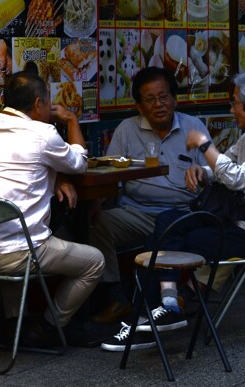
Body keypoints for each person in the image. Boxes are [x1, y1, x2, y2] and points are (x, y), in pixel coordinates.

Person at [102, 71, 245, 351]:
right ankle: (168, 304)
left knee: (174, 238)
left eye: (234, 104)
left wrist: (204, 145)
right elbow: (224, 168)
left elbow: (238, 178)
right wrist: (203, 172)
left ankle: (144, 317)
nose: (231, 110)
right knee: (169, 221)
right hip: (234, 221)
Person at [0, 70, 104, 346]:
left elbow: (20, 167)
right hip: (17, 255)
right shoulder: (44, 133)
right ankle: (48, 325)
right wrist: (72, 119)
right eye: (49, 102)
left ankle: (17, 325)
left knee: (8, 236)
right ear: (39, 104)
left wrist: (56, 178)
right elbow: (79, 162)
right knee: (95, 262)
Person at [88, 66, 210, 325]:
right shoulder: (126, 129)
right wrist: (97, 203)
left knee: (177, 229)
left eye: (164, 96)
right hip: (138, 211)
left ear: (174, 99)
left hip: (182, 213)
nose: (159, 104)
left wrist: (204, 170)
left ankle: (163, 302)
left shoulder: (193, 127)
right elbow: (110, 171)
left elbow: (217, 170)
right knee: (99, 224)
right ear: (139, 106)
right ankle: (117, 297)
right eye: (150, 99)